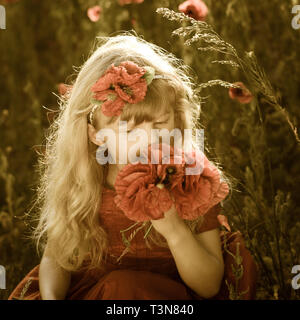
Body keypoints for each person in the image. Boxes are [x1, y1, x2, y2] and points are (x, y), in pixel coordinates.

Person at [8, 32, 257, 300]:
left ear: (177, 124)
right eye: (129, 131)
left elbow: (208, 287)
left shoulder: (193, 183)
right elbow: (55, 260)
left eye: (160, 125)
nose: (148, 140)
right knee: (119, 288)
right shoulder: (83, 186)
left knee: (126, 288)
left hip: (173, 300)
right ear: (96, 135)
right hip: (97, 295)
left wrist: (175, 231)